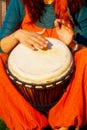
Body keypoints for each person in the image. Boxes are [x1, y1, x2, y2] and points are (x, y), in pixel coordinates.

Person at [0, 0, 87, 130]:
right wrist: (17, 35)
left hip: (66, 87)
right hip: (26, 89)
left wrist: (72, 44)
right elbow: (2, 46)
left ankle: (65, 122)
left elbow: (84, 49)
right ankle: (28, 123)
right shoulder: (19, 2)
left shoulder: (76, 3)